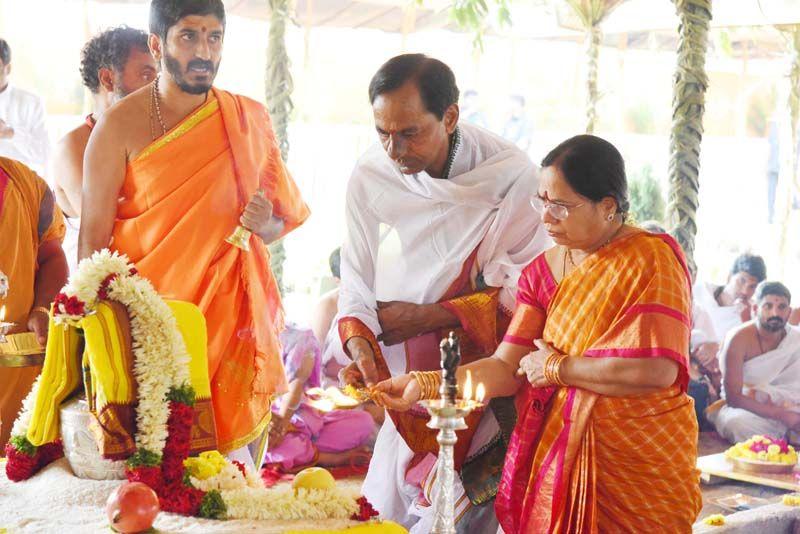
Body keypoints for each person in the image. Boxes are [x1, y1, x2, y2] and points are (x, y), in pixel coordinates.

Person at [374, 134, 702, 532]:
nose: (546, 217)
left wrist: (558, 368)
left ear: (608, 207)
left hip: (638, 462)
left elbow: (657, 372)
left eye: (561, 206)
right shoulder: (542, 272)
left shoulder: (651, 258)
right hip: (560, 456)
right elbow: (504, 368)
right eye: (541, 202)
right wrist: (424, 384)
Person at [79, 0, 310, 464]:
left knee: (232, 484)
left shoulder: (249, 119)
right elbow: (90, 246)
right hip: (149, 329)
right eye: (189, 36)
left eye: (214, 37)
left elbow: (280, 222)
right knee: (155, 483)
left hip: (230, 330)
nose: (204, 51)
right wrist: (101, 341)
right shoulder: (117, 127)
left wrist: (260, 222)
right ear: (157, 43)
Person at [338, 54, 548, 533]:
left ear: (450, 117)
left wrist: (427, 316)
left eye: (410, 132)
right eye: (382, 132)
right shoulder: (371, 175)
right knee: (392, 509)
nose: (394, 149)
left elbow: (526, 296)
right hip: (406, 370)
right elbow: (355, 281)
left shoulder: (512, 177)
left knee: (467, 511)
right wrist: (361, 344)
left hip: (484, 374)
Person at [53, 26, 156, 273]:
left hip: (152, 283)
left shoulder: (152, 138)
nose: (158, 85)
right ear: (108, 79)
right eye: (146, 74)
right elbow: (107, 228)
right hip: (97, 293)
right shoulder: (73, 146)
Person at [0, 157, 68, 451]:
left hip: (16, 362)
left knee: (17, 463)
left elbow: (52, 256)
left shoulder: (29, 188)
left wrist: (42, 308)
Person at [264, 323, 374, 471]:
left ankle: (305, 451)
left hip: (307, 421)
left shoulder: (301, 336)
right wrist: (269, 424)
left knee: (364, 421)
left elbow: (297, 381)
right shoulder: (243, 337)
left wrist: (281, 425)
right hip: (268, 426)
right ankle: (332, 458)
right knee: (284, 446)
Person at [707, 281, 800, 444]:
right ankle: (785, 439)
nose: (775, 313)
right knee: (736, 423)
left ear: (789, 312)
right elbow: (733, 398)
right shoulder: (737, 339)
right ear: (755, 309)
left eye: (782, 307)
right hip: (748, 409)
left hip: (788, 405)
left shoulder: (796, 339)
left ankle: (784, 437)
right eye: (768, 306)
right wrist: (780, 414)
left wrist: (787, 411)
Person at [0, 39, 50, 175]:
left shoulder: (32, 102)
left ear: (7, 68)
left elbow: (44, 153)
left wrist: (10, 133)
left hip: (21, 185)